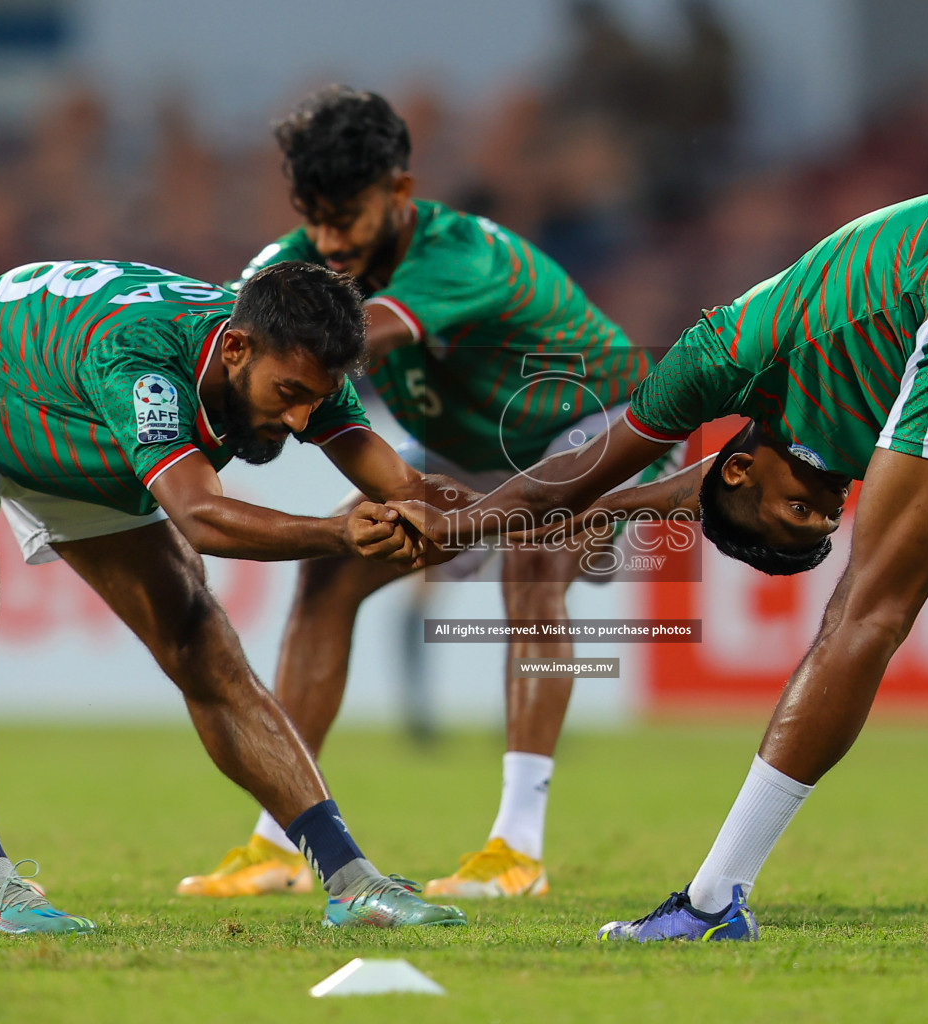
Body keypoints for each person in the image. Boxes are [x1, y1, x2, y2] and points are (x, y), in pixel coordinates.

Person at [391, 187, 928, 940]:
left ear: (739, 470)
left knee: (862, 613)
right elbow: (684, 488)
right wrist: (614, 511)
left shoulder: (710, 358)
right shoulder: (798, 436)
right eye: (820, 519)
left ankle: (708, 902)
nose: (832, 506)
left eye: (801, 512)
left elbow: (584, 470)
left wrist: (457, 528)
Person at [0, 257, 469, 933]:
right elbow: (202, 518)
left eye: (317, 398)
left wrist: (533, 510)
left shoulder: (298, 357)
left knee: (201, 642)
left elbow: (407, 490)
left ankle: (354, 884)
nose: (303, 418)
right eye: (289, 393)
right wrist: (338, 533)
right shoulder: (143, 357)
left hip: (73, 423)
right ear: (238, 348)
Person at [179, 86, 664, 901]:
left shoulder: (460, 254)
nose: (330, 242)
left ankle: (517, 848)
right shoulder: (293, 261)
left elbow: (344, 342)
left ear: (399, 193)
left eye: (348, 218)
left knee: (534, 561)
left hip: (593, 424)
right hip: (468, 448)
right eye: (314, 217)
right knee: (332, 571)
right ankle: (276, 842)